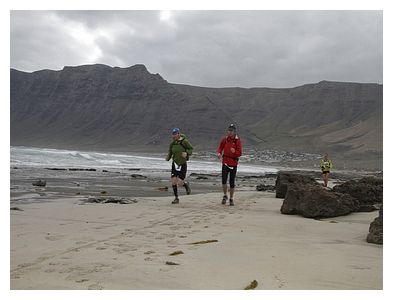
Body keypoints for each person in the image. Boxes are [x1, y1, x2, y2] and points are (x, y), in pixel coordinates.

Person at [217, 124, 242, 206]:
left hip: (234, 163)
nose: (230, 132)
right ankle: (225, 195)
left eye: (231, 131)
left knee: (232, 182)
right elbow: (220, 147)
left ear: (234, 132)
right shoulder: (225, 139)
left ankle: (231, 198)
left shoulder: (237, 141)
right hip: (225, 162)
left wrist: (235, 151)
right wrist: (219, 153)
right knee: (224, 180)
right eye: (229, 130)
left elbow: (240, 153)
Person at [166, 128, 193, 204]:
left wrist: (186, 153)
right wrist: (168, 157)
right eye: (173, 134)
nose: (173, 136)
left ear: (178, 134)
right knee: (173, 181)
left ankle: (185, 185)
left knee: (180, 182)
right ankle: (176, 198)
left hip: (182, 163)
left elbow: (191, 149)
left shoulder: (184, 141)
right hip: (175, 163)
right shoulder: (172, 144)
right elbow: (170, 151)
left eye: (175, 134)